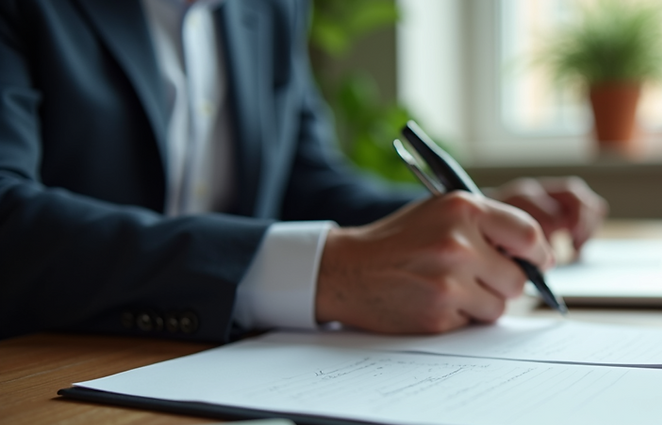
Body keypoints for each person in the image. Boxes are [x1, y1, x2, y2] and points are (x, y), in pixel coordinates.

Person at [0, 0, 607, 342]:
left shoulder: (269, 10)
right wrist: (324, 273)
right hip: (49, 368)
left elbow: (309, 182)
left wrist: (469, 217)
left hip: (232, 370)